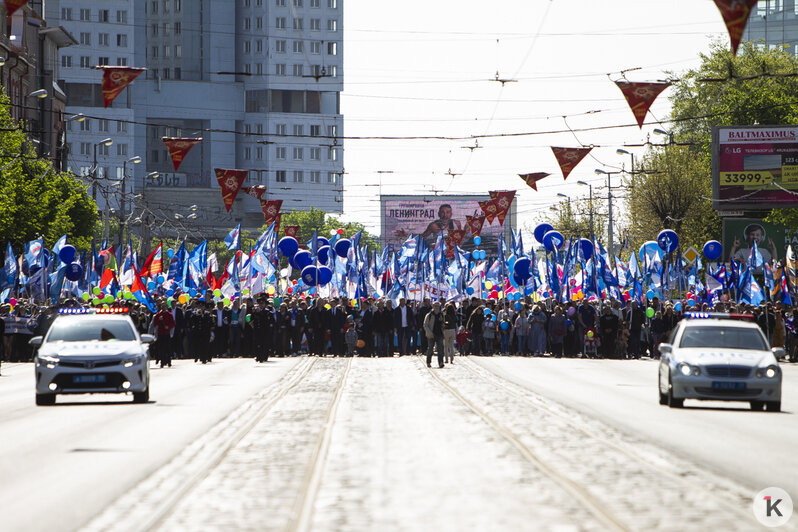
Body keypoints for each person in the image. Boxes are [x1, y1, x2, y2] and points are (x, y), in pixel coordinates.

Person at [151, 303, 176, 367]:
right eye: (163, 306)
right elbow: (155, 323)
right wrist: (159, 319)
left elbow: (172, 323)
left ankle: (168, 361)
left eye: (165, 306)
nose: (164, 307)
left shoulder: (169, 314)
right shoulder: (158, 314)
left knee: (167, 348)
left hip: (167, 333)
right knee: (161, 349)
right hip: (160, 333)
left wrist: (168, 327)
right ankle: (162, 362)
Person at [423, 301, 445, 368]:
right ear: (433, 306)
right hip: (431, 334)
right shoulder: (429, 315)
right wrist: (429, 333)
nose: (436, 307)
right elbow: (425, 325)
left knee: (440, 349)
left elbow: (443, 323)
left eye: (438, 306)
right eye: (435, 306)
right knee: (430, 349)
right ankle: (428, 362)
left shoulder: (441, 315)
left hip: (440, 334)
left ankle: (441, 362)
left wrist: (443, 325)